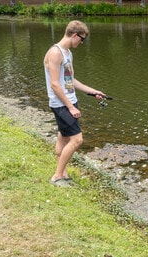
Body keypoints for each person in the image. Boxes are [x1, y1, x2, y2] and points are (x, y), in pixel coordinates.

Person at [44, 20, 105, 187]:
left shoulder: (68, 53)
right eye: (82, 39)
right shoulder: (55, 53)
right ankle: (57, 177)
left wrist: (93, 92)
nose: (82, 42)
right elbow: (55, 84)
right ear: (74, 35)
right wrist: (70, 107)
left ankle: (63, 172)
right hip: (61, 104)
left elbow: (71, 80)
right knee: (77, 140)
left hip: (70, 101)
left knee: (63, 138)